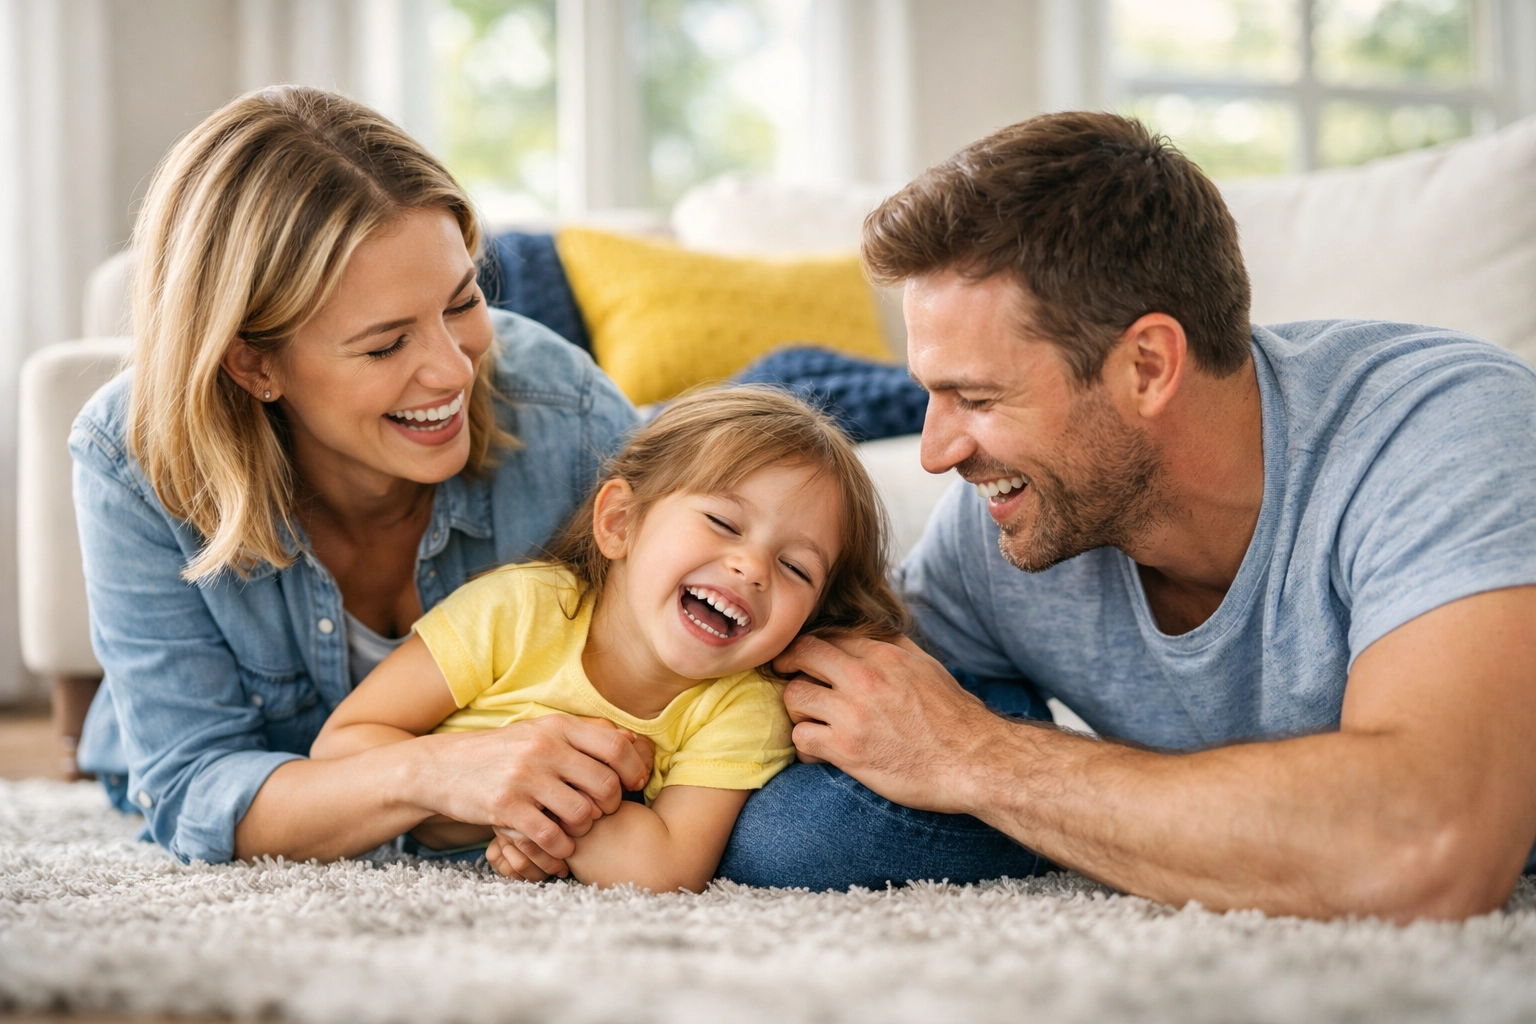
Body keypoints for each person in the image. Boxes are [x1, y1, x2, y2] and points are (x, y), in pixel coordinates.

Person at [717, 111, 1536, 921]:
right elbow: (832, 707)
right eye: (932, 395)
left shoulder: (1442, 431)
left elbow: (1431, 848)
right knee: (794, 835)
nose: (934, 452)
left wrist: (978, 755)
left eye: (976, 397)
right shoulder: (1006, 525)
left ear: (1147, 366)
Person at [71, 85, 650, 867]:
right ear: (254, 362)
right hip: (192, 750)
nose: (452, 370)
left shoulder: (565, 410)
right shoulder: (133, 456)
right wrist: (436, 775)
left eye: (463, 300)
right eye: (385, 346)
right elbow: (195, 788)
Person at [312, 388, 906, 891]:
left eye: (796, 568)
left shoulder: (742, 704)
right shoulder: (521, 609)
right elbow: (341, 750)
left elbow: (667, 868)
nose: (752, 569)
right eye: (724, 523)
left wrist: (544, 819)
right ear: (620, 523)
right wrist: (478, 797)